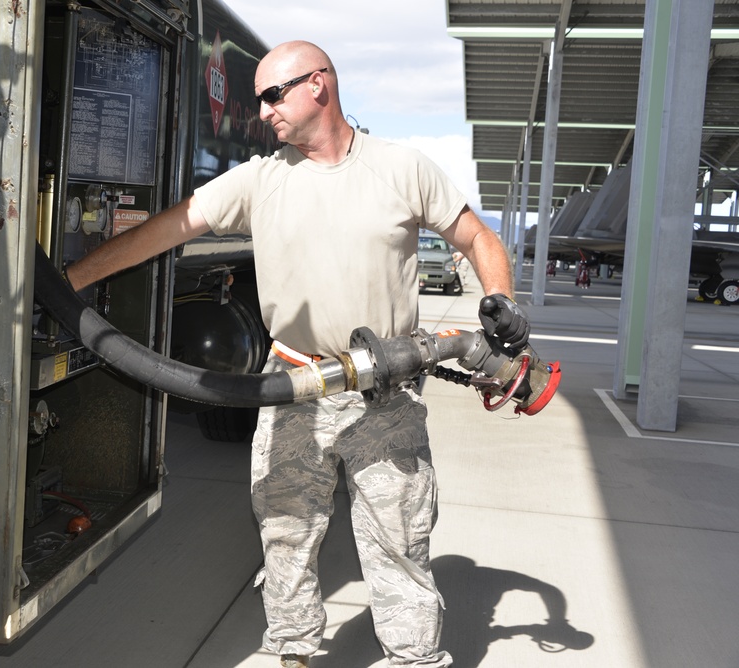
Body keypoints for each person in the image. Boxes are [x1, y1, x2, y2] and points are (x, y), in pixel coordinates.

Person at [66, 40, 529, 668]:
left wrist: (499, 297)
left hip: (385, 396)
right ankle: (292, 654)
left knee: (399, 545)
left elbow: (475, 235)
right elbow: (169, 228)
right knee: (285, 539)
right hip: (292, 389)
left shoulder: (401, 168)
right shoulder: (262, 180)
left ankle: (414, 659)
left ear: (319, 85)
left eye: (272, 95)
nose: (262, 112)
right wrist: (67, 284)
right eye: (260, 99)